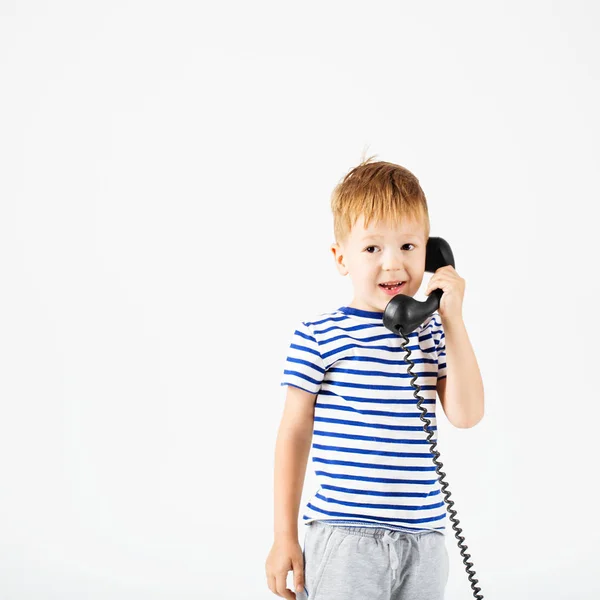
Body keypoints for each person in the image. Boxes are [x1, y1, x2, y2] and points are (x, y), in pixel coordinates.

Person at [265, 156, 485, 600]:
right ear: (340, 257)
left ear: (432, 253)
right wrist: (284, 535)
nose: (393, 264)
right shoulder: (320, 335)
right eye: (372, 248)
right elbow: (292, 433)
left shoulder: (434, 335)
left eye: (408, 247)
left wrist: (452, 319)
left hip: (424, 540)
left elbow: (466, 415)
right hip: (347, 538)